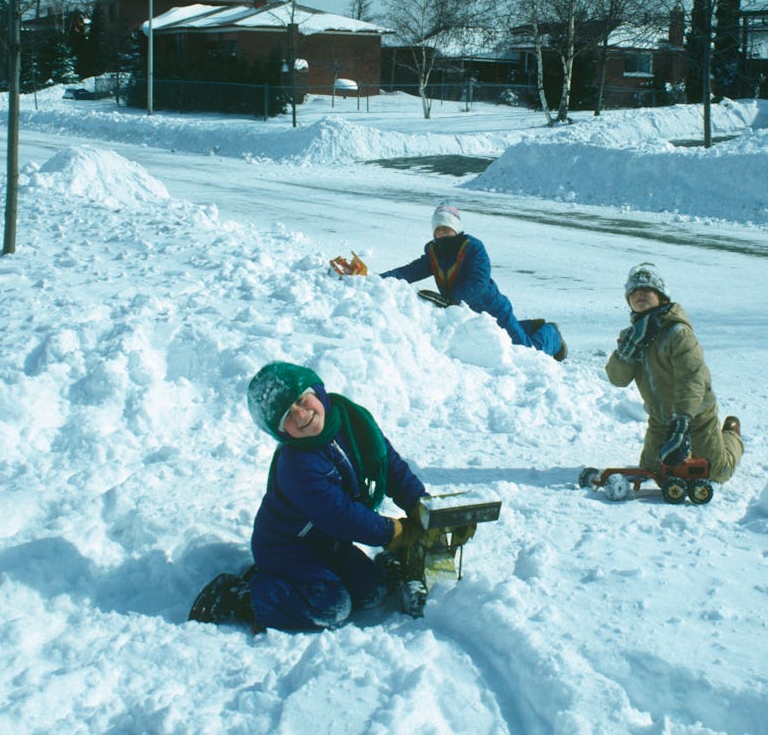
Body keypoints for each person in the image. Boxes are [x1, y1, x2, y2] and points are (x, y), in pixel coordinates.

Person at [190, 361, 429, 631]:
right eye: (287, 417)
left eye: (302, 400)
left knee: (371, 593)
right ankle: (245, 596)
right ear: (281, 432)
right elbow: (338, 514)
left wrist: (420, 503)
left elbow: (390, 464)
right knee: (331, 607)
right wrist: (391, 531)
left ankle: (375, 571)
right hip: (287, 547)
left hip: (328, 542)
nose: (301, 415)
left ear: (317, 391)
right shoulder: (298, 464)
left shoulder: (354, 423)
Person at [604, 263, 743, 481]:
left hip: (695, 416)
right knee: (654, 472)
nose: (639, 295)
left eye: (646, 290)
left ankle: (731, 435)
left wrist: (682, 422)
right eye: (634, 292)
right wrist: (627, 351)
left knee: (716, 473)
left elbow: (692, 379)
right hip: (661, 420)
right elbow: (617, 379)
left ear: (661, 296)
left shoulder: (678, 333)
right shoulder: (630, 337)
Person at [381, 202, 566, 361]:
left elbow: (478, 282)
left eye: (447, 228)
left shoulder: (473, 248)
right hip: (468, 315)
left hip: (494, 310)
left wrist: (454, 299)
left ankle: (552, 334)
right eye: (438, 230)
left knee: (525, 351)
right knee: (500, 340)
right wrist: (376, 279)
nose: (442, 234)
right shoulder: (434, 252)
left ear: (456, 228)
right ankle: (529, 326)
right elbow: (409, 271)